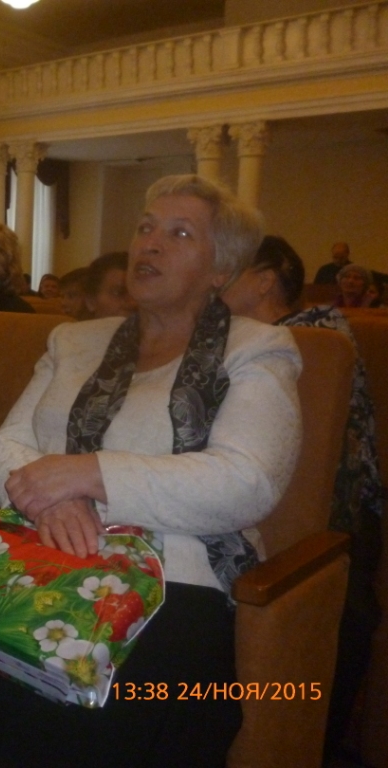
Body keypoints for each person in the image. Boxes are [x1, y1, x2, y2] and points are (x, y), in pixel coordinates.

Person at [0, 175, 302, 768]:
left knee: (98, 710)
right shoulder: (74, 341)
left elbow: (247, 481)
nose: (150, 244)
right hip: (42, 553)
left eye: (179, 233)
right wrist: (51, 496)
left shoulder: (257, 349)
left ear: (220, 268)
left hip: (174, 581)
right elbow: (5, 445)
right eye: (146, 227)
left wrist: (87, 475)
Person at [222, 234, 383, 765]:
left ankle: (323, 737)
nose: (213, 279)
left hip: (338, 517)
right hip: (263, 506)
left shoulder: (311, 339)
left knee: (339, 608)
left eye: (228, 269)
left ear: (265, 280)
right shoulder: (232, 338)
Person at [83, 251, 135, 319]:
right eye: (119, 293)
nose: (133, 303)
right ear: (91, 301)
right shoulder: (69, 329)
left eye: (138, 294)